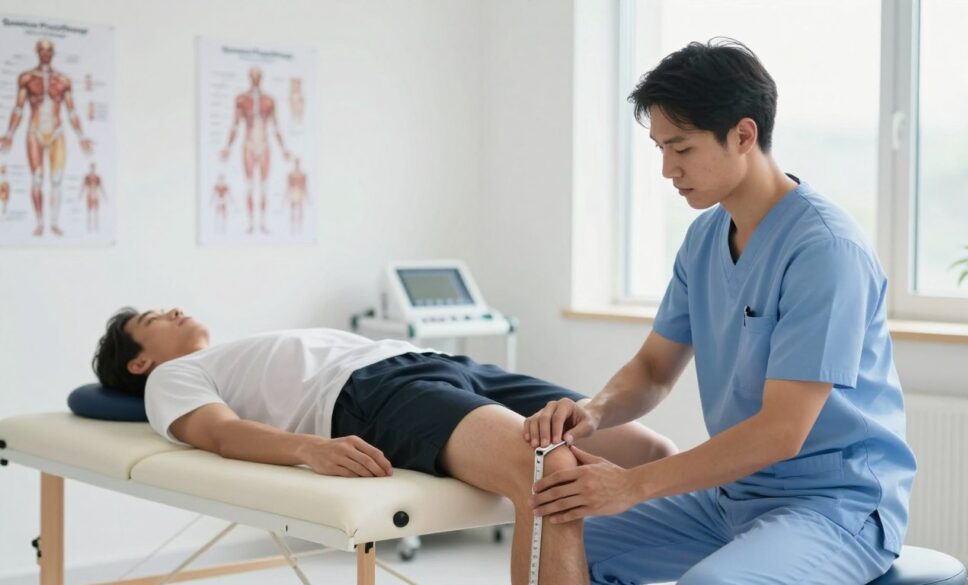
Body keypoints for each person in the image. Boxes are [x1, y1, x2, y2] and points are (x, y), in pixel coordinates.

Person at [525, 39, 916, 584]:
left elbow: (781, 432)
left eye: (681, 149)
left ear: (743, 134)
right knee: (553, 538)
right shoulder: (705, 238)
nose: (667, 169)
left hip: (834, 506)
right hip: (733, 497)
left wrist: (632, 484)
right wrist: (593, 412)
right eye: (660, 148)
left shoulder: (825, 249)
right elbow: (654, 370)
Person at [92, 307, 676, 585]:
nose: (171, 310)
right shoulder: (171, 379)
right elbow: (218, 433)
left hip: (442, 364)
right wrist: (308, 449)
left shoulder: (232, 351)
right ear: (140, 360)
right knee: (547, 472)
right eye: (151, 318)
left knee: (651, 452)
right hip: (372, 392)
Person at [0, 39, 93, 237]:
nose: (45, 54)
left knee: (57, 181)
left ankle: (54, 222)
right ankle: (40, 222)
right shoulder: (26, 78)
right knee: (37, 179)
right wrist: (9, 134)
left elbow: (72, 111)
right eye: (42, 51)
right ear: (37, 53)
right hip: (35, 132)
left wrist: (81, 136)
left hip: (57, 132)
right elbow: (18, 108)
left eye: (49, 51)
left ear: (53, 54)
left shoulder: (63, 81)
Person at [220, 66, 290, 234]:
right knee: (250, 186)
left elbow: (275, 126)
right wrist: (228, 147)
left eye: (258, 76)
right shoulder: (241, 99)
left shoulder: (269, 100)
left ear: (261, 78)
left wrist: (283, 149)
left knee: (265, 186)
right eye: (253, 76)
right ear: (249, 77)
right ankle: (251, 223)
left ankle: (263, 222)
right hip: (248, 144)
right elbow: (235, 124)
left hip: (264, 144)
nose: (255, 79)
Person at [79, 162, 106, 232]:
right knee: (89, 211)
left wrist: (104, 196)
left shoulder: (98, 177)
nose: (92, 169)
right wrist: (80, 195)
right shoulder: (87, 177)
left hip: (96, 195)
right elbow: (83, 186)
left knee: (96, 211)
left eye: (93, 167)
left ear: (95, 168)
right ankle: (89, 227)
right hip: (89, 194)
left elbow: (101, 187)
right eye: (91, 167)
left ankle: (96, 226)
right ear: (90, 168)